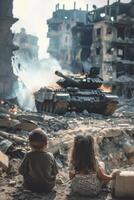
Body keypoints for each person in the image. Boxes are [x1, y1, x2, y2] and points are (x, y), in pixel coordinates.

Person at [19, 128, 58, 193]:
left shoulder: (28, 155)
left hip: (30, 186)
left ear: (30, 145)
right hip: (48, 186)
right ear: (46, 144)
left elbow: (21, 171)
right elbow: (55, 172)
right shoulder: (50, 156)